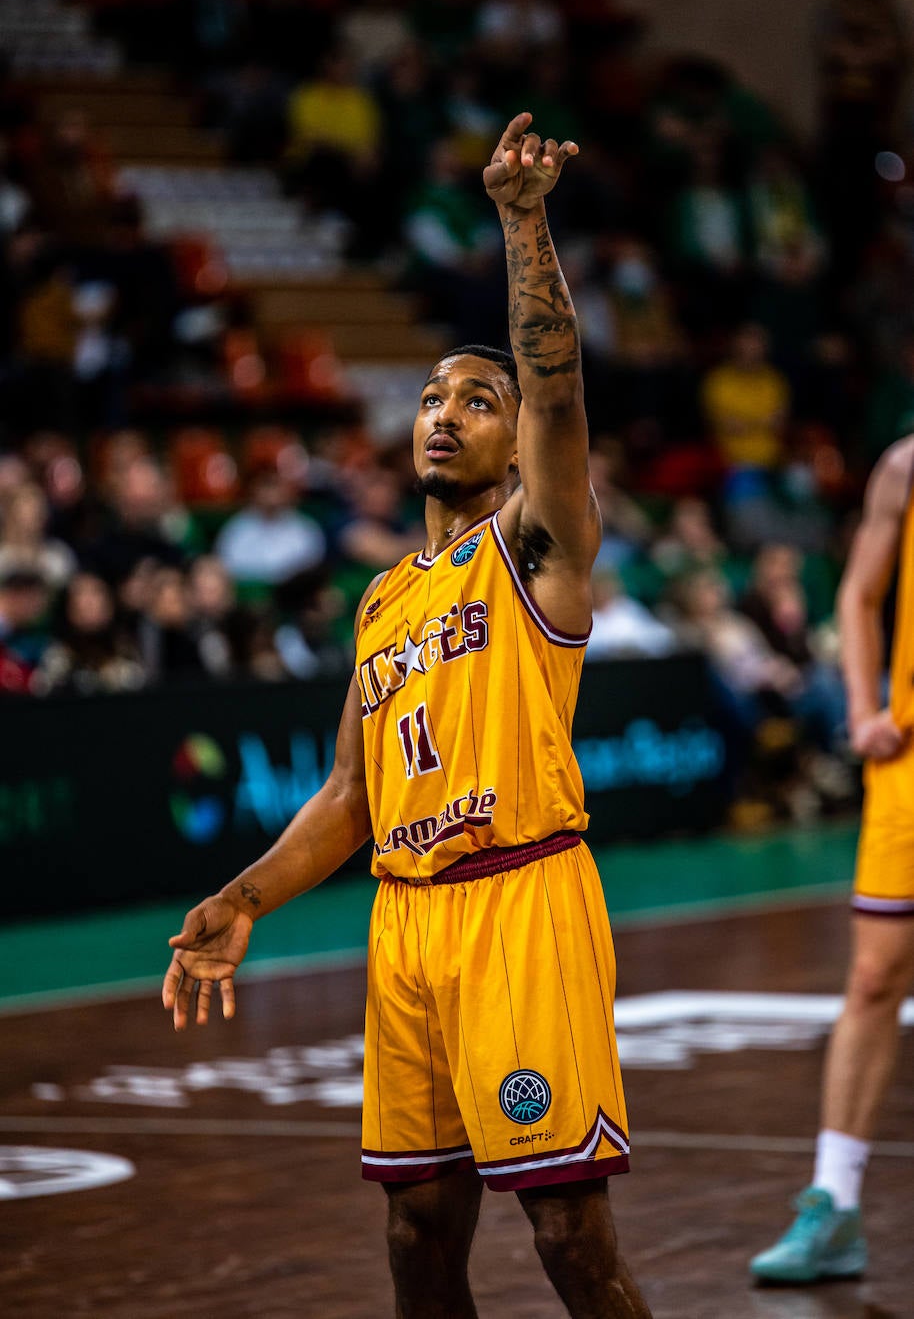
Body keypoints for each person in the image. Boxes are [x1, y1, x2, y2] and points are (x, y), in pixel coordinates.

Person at [162, 112, 651, 1319]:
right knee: (416, 1225)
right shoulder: (384, 600)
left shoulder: (536, 550)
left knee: (565, 1233)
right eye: (431, 397)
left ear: (509, 437)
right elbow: (345, 795)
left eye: (474, 401)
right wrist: (242, 898)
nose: (443, 413)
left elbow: (557, 386)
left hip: (520, 901)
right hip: (407, 925)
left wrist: (520, 221)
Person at [750, 433, 914, 1284]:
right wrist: (860, 708)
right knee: (874, 978)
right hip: (909, 769)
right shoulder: (903, 466)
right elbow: (859, 595)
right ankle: (834, 1201)